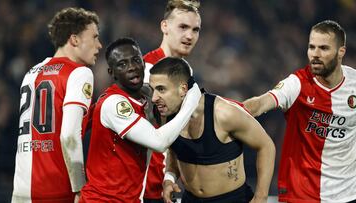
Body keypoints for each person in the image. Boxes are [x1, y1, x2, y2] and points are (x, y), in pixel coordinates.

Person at [243, 20, 356, 203]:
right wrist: (223, 110)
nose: (315, 54)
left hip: (348, 195)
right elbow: (260, 104)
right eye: (312, 47)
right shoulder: (297, 83)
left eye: (324, 48)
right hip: (302, 195)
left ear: (340, 52)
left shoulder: (354, 84)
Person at [79, 38, 201, 202]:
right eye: (122, 64)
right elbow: (159, 142)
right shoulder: (114, 104)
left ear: (143, 63)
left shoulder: (145, 99)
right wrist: (192, 100)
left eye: (136, 60)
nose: (131, 67)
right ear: (112, 72)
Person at [148, 57, 275, 203]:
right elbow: (174, 150)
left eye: (161, 89)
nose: (154, 98)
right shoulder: (166, 115)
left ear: (183, 89)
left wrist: (260, 197)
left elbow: (266, 146)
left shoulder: (224, 113)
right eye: (153, 90)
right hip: (190, 199)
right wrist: (169, 178)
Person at [12, 7, 102, 202]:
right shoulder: (79, 73)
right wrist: (79, 187)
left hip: (21, 189)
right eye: (94, 37)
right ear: (74, 39)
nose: (99, 45)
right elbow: (68, 134)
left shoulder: (31, 73)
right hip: (56, 190)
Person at [143, 1, 201, 202]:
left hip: (166, 184)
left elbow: (176, 131)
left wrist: (169, 176)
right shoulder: (146, 71)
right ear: (164, 26)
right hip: (144, 188)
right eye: (183, 27)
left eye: (195, 30)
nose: (189, 36)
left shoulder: (186, 72)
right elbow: (147, 134)